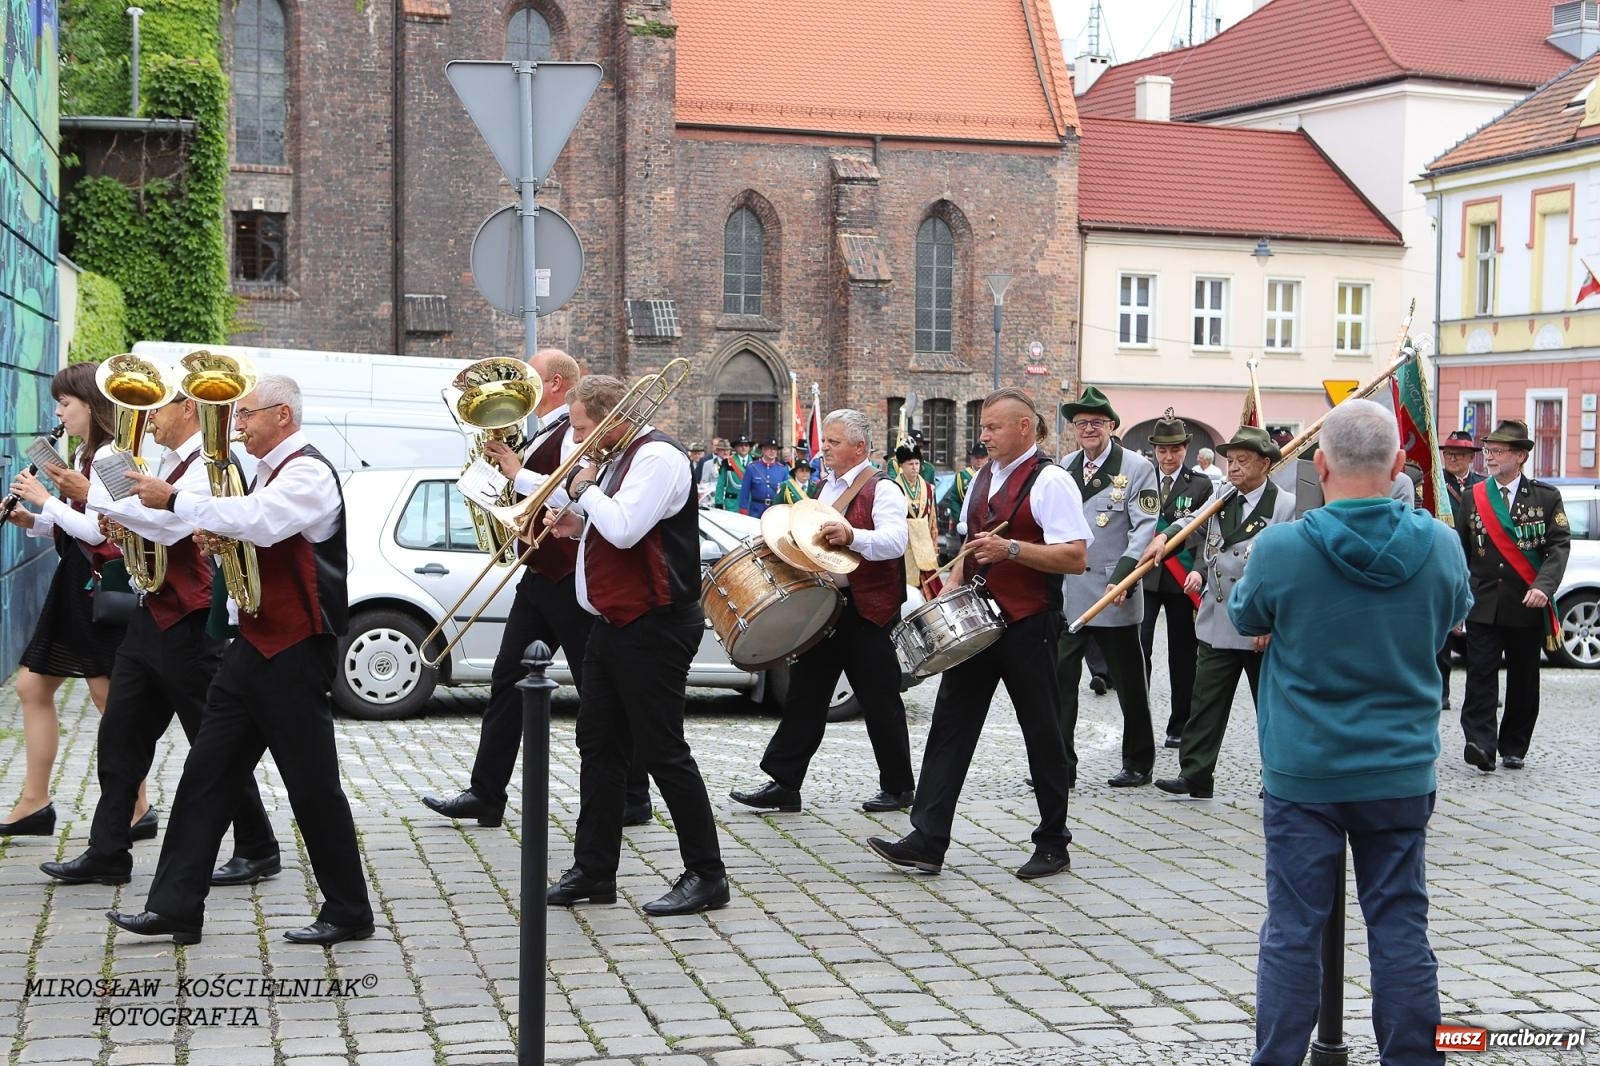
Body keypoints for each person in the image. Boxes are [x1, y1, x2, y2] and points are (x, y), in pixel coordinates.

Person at [1228, 398, 1469, 1066]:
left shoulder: (1283, 545)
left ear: (1320, 464)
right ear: (1397, 465)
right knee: (1399, 924)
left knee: (1293, 931)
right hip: (1398, 767)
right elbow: (1454, 615)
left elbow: (1247, 613)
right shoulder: (1440, 543)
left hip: (1306, 768)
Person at [109, 374, 374, 945]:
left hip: (298, 646)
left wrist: (179, 499)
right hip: (253, 644)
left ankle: (350, 909)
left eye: (247, 414)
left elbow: (264, 520)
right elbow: (249, 527)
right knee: (205, 774)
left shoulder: (308, 470)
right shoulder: (264, 471)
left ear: (283, 415)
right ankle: (176, 906)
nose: (237, 424)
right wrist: (217, 538)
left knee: (312, 785)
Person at [43, 393, 277, 886]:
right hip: (151, 615)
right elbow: (138, 525)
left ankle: (258, 846)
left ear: (188, 410)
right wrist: (112, 517)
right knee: (120, 737)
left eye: (160, 407)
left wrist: (94, 496)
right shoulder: (165, 462)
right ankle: (107, 850)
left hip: (189, 623)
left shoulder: (206, 465)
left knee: (214, 743)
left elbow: (170, 528)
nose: (148, 418)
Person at [423, 350, 654, 829]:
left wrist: (515, 471)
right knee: (506, 682)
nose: (520, 384)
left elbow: (566, 488)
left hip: (572, 579)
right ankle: (486, 792)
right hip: (539, 576)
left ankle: (633, 795)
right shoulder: (543, 431)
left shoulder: (576, 430)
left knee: (599, 692)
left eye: (530, 375)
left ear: (552, 383)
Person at [867, 387, 1089, 880]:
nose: (983, 435)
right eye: (983, 427)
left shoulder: (1051, 481)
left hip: (1030, 622)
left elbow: (1075, 557)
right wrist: (951, 584)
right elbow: (970, 543)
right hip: (977, 620)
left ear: (1025, 428)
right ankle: (927, 840)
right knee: (950, 725)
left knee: (1043, 733)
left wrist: (1012, 551)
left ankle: (1053, 842)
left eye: (993, 427)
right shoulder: (982, 477)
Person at [543, 375, 728, 916]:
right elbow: (617, 533)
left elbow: (625, 528)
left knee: (662, 750)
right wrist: (576, 524)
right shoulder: (618, 458)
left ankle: (707, 873)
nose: (575, 441)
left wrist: (587, 490)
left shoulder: (657, 458)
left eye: (581, 428)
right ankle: (595, 869)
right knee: (598, 747)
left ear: (609, 420)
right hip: (613, 623)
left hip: (655, 623)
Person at [730, 409, 916, 814]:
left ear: (859, 447)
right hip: (828, 605)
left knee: (879, 697)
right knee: (805, 693)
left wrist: (853, 535)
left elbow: (894, 542)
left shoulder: (883, 488)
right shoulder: (826, 487)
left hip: (869, 609)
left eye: (833, 442)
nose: (824, 448)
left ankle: (900, 787)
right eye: (825, 441)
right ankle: (784, 783)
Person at [2, 362, 132, 837]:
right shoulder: (83, 456)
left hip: (96, 584)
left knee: (108, 700)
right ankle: (34, 802)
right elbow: (71, 528)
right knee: (33, 688)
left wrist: (42, 496)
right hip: (73, 580)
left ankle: (136, 807)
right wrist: (28, 519)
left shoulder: (115, 457)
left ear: (93, 406)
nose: (58, 411)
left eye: (65, 403)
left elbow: (104, 531)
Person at [1144, 425, 1297, 799]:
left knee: (1272, 708)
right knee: (1205, 701)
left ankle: (1277, 777)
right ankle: (1196, 773)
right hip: (1218, 620)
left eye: (1244, 461)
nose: (1235, 467)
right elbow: (1193, 524)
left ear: (1266, 463)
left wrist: (1272, 618)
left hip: (1259, 623)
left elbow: (1288, 570)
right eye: (1232, 461)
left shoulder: (1284, 505)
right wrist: (1166, 535)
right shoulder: (1221, 496)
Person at [1054, 387, 1159, 788]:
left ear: (1112, 426)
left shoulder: (1136, 468)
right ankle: (1060, 765)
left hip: (1116, 590)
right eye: (1081, 423)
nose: (1089, 429)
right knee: (1061, 681)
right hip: (1072, 590)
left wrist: (1125, 577)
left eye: (1096, 422)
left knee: (1130, 683)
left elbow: (1144, 528)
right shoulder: (1065, 466)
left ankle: (1138, 762)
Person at [1455, 419, 1570, 772]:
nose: (1489, 457)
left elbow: (1558, 547)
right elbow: (1461, 550)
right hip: (1483, 603)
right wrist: (1458, 601)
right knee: (1480, 675)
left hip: (1526, 603)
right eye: (1488, 450)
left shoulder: (1545, 497)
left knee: (1523, 678)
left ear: (1520, 456)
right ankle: (1481, 743)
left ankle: (1514, 745)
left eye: (1498, 451)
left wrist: (1543, 586)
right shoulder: (1474, 496)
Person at [1138, 409, 1213, 748]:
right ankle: (1139, 723)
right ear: (1154, 450)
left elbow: (1204, 533)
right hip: (1145, 576)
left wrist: (1198, 569)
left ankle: (1179, 725)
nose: (1168, 457)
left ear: (1186, 449)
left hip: (1181, 578)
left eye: (1175, 450)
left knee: (1182, 655)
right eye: (1162, 451)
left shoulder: (1200, 484)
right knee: (1140, 649)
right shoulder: (1141, 479)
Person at [1436, 430, 1485, 708]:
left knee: (1478, 639)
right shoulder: (1436, 482)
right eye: (1448, 453)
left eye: (1457, 454)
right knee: (1443, 639)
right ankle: (1442, 693)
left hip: (1475, 565)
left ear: (1470, 457)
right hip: (1445, 563)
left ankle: (1481, 692)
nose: (1451, 458)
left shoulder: (1481, 485)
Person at [894, 442, 939, 592]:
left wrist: (934, 542)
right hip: (904, 542)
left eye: (917, 463)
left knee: (930, 584)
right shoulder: (893, 487)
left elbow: (932, 518)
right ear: (901, 465)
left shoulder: (928, 488)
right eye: (910, 464)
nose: (914, 467)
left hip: (924, 542)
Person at [945, 442, 989, 535]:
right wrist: (960, 521)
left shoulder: (992, 474)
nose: (979, 460)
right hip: (967, 524)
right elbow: (954, 500)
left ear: (988, 458)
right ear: (971, 458)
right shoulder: (962, 476)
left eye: (982, 457)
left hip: (987, 523)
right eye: (976, 457)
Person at [738, 437, 788, 518]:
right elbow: (745, 491)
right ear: (763, 450)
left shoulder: (782, 470)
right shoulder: (752, 468)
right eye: (769, 449)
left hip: (774, 511)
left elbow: (786, 493)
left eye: (774, 449)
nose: (772, 451)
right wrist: (743, 509)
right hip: (756, 510)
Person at [715, 434, 751, 511]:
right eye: (740, 445)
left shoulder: (755, 462)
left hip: (750, 504)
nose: (743, 447)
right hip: (732, 504)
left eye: (746, 445)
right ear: (735, 447)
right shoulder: (727, 462)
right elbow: (720, 485)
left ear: (749, 447)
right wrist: (719, 504)